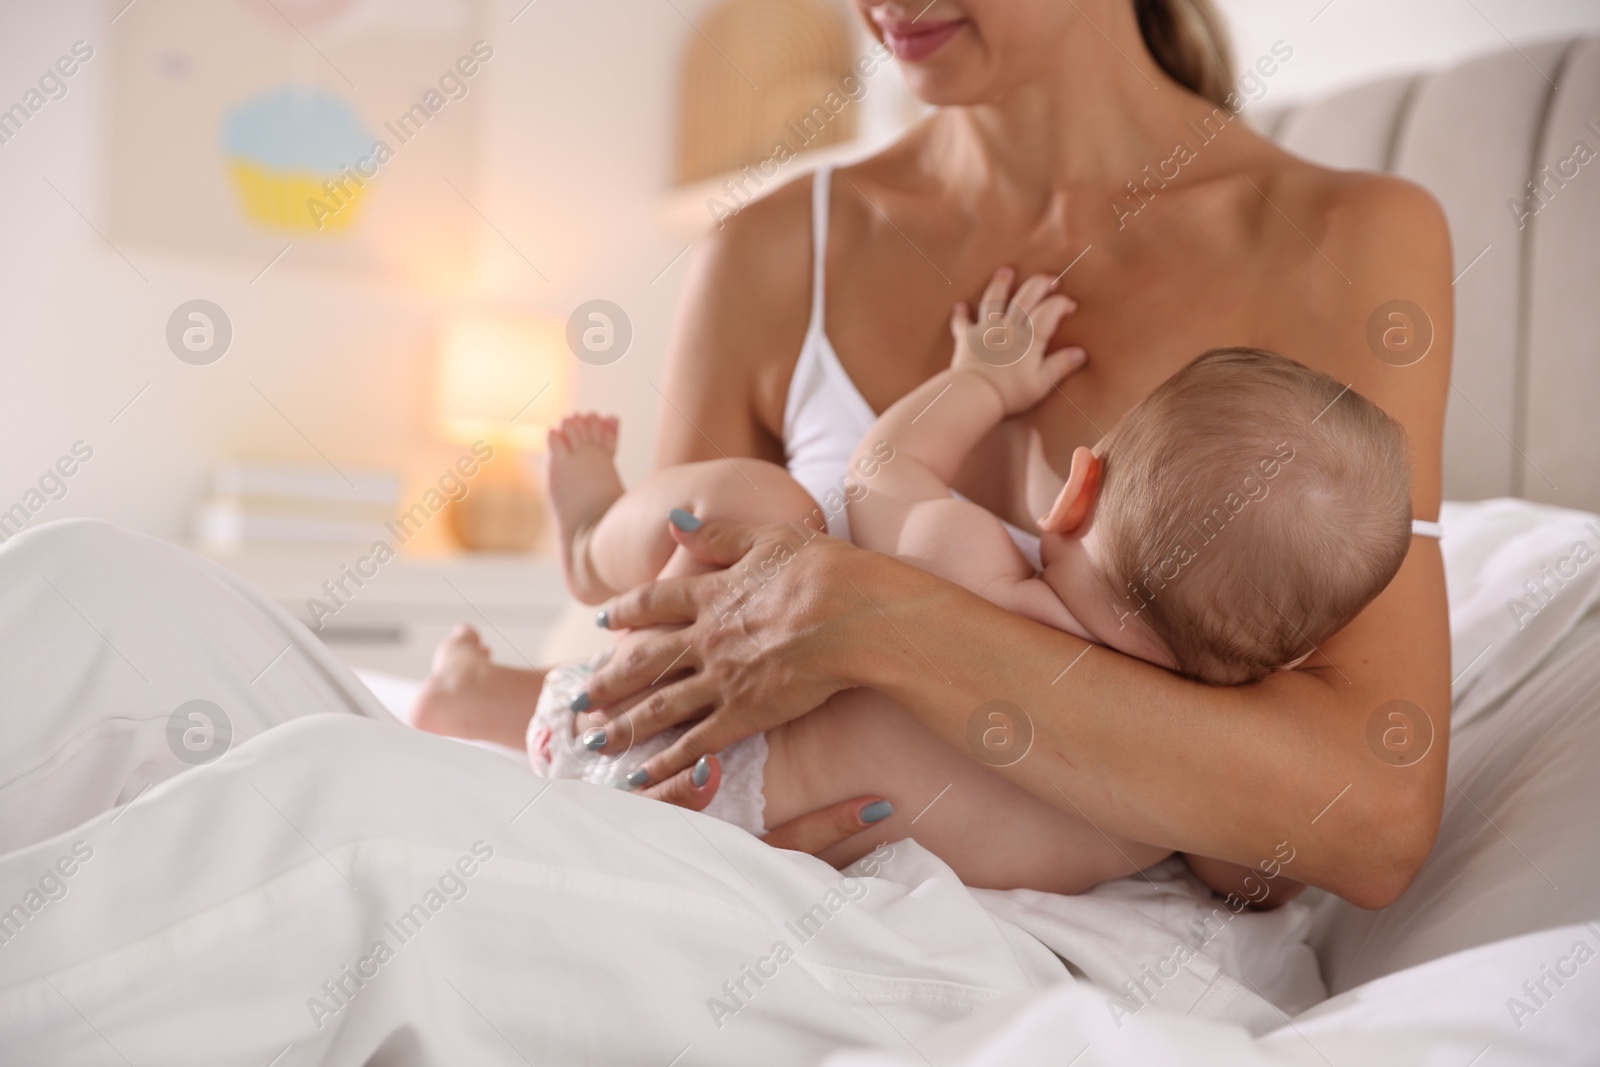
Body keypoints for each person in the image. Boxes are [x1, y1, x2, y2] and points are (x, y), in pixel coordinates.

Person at [414, 0, 1453, 909]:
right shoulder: (772, 251)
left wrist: (871, 619)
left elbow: (1365, 818)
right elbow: (655, 659)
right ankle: (573, 553)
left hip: (951, 939)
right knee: (746, 511)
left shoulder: (1350, 239)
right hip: (719, 859)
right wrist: (704, 844)